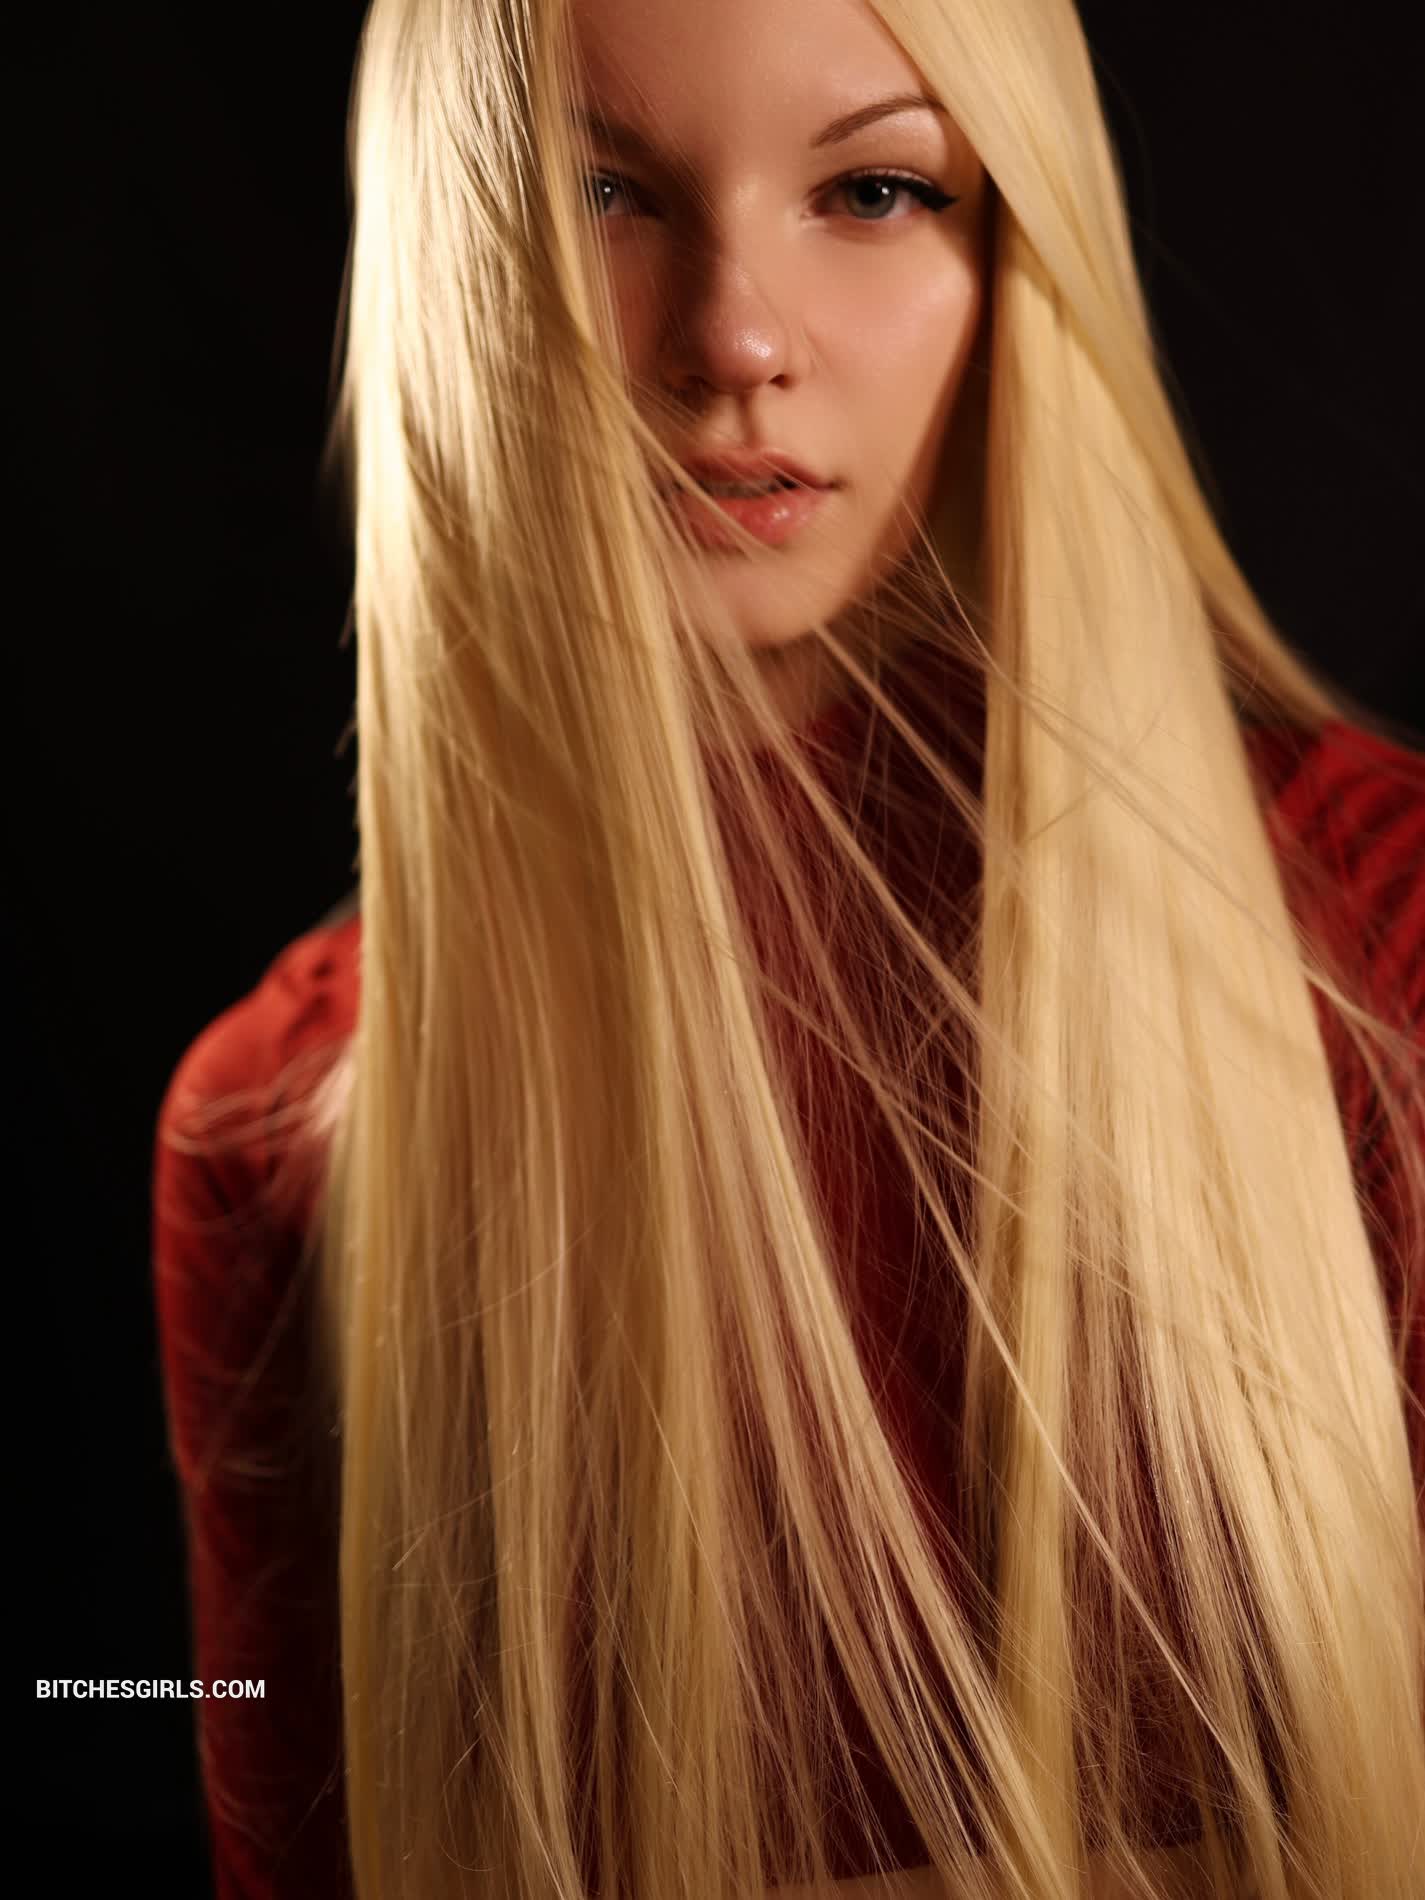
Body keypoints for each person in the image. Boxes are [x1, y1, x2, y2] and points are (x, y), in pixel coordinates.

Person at [151, 1, 1425, 1897]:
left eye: (876, 190)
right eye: (603, 194)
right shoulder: (284, 1133)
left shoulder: (1380, 942)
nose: (736, 340)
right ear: (451, 242)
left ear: (1019, 243)